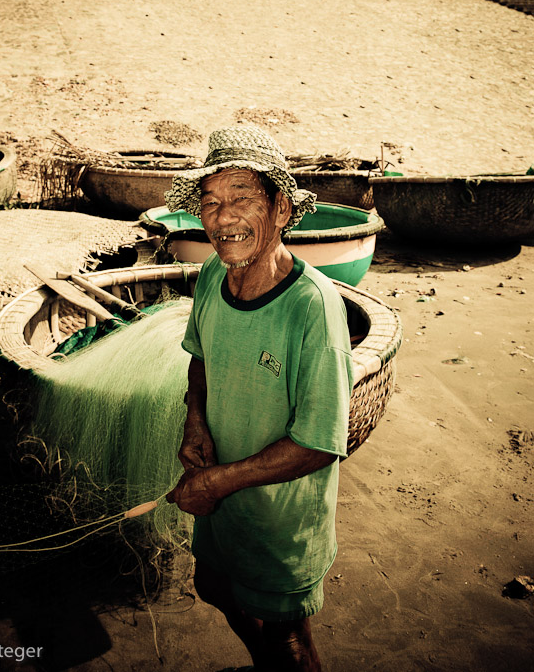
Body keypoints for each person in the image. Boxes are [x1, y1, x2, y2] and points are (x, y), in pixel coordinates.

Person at [165, 126, 354, 672]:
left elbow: (320, 443)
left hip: (280, 521)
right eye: (210, 202)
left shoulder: (312, 307)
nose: (223, 219)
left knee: (289, 638)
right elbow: (201, 355)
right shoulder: (211, 276)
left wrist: (215, 482)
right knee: (216, 588)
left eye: (242, 198)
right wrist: (194, 421)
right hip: (222, 506)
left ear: (281, 208)